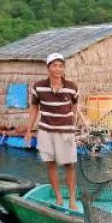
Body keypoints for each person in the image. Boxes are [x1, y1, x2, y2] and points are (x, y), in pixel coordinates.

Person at [25, 52, 79, 210]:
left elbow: (74, 106)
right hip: (46, 131)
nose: (58, 69)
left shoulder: (72, 87)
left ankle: (72, 200)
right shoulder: (38, 86)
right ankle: (59, 198)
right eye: (54, 65)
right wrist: (29, 130)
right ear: (48, 68)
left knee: (69, 165)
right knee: (51, 165)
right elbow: (34, 107)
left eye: (61, 66)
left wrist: (72, 123)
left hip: (65, 131)